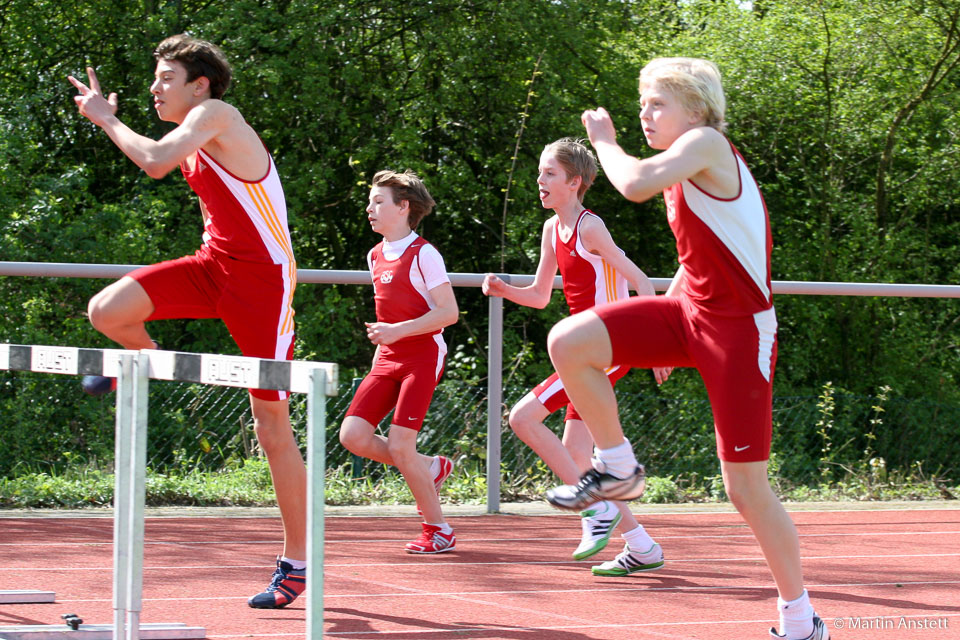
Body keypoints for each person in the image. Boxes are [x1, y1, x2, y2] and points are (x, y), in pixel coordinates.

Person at [543, 58, 828, 639]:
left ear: (695, 109)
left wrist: (604, 143)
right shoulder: (689, 163)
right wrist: (673, 331)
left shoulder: (705, 143)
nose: (644, 114)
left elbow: (634, 184)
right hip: (690, 314)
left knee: (745, 489)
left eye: (657, 104)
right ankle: (618, 468)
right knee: (569, 340)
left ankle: (801, 620)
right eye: (642, 104)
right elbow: (697, 254)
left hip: (739, 330)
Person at [69, 34, 309, 610]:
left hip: (261, 283)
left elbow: (152, 162)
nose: (153, 88)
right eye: (155, 78)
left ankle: (296, 563)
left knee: (271, 425)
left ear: (199, 85)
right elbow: (165, 154)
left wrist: (105, 118)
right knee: (107, 311)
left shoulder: (216, 113)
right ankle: (142, 370)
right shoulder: (194, 131)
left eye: (165, 78)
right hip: (212, 266)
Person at [482, 138, 664, 576]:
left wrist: (658, 347)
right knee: (575, 453)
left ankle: (594, 508)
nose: (539, 181)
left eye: (549, 174)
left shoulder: (590, 228)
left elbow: (643, 284)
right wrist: (506, 290)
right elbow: (543, 296)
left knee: (523, 418)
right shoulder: (552, 230)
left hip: (607, 347)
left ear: (574, 182)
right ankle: (641, 545)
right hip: (583, 349)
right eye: (540, 173)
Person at [339, 170, 459, 554]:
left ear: (403, 207)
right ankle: (430, 467)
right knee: (352, 436)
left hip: (423, 356)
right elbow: (387, 321)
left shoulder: (424, 254)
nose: (369, 208)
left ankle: (438, 529)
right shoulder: (374, 255)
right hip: (388, 357)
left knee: (400, 445)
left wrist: (399, 331)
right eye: (370, 201)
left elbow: (448, 312)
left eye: (378, 201)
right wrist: (384, 349)